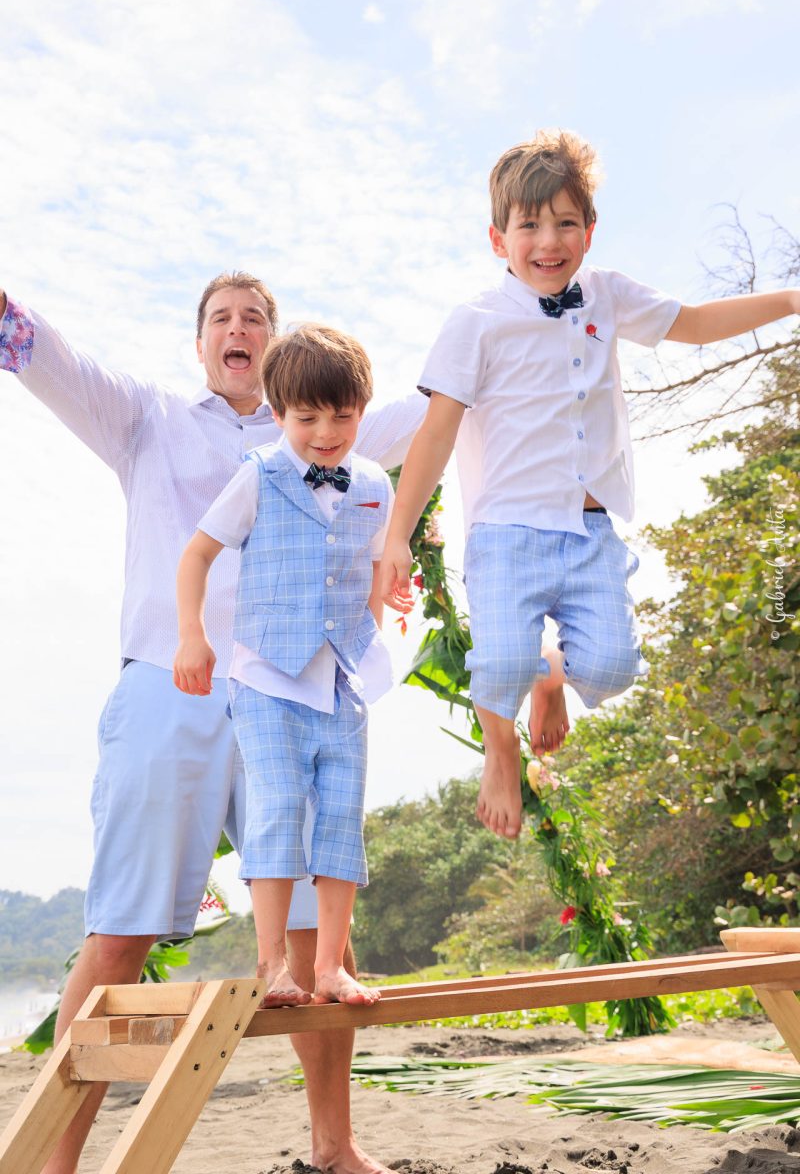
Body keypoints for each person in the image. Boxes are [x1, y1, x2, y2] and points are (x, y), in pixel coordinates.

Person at [1, 272, 424, 1174]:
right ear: (201, 346)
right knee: (121, 931)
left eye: (257, 318)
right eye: (221, 319)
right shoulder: (146, 417)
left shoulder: (326, 429)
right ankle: (56, 1159)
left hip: (297, 691)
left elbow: (445, 406)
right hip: (171, 684)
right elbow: (45, 353)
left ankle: (334, 1145)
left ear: (277, 346)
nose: (239, 328)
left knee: (314, 934)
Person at [380, 128, 800, 844]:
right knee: (502, 661)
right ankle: (502, 752)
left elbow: (694, 326)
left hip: (591, 530)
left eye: (565, 222)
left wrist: (790, 301)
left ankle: (555, 675)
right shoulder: (475, 324)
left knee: (610, 668)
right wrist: (396, 535)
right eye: (529, 225)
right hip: (507, 528)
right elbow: (436, 434)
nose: (549, 240)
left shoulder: (607, 295)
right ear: (497, 238)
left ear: (590, 231)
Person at [174, 324, 391, 1010]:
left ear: (363, 408)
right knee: (276, 808)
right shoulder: (259, 476)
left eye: (343, 415)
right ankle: (273, 966)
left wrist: (389, 597)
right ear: (277, 413)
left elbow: (374, 565)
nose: (326, 431)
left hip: (341, 682)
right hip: (265, 677)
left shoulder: (376, 483)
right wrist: (193, 638)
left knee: (340, 821)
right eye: (307, 417)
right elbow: (196, 555)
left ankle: (330, 968)